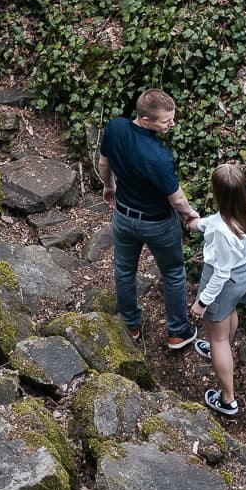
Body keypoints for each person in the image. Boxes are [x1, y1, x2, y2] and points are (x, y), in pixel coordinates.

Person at [96, 89, 205, 352]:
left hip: (123, 215)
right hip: (157, 223)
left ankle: (130, 325)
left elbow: (103, 162)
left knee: (124, 269)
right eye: (166, 121)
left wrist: (109, 186)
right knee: (173, 272)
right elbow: (177, 199)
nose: (172, 124)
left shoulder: (115, 127)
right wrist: (189, 214)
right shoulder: (158, 156)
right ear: (145, 121)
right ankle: (178, 333)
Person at [191, 163, 246, 419]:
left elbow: (221, 273)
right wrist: (200, 224)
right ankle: (223, 344)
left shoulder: (224, 230)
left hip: (228, 279)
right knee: (229, 312)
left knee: (217, 336)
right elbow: (216, 220)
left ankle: (227, 400)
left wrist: (202, 302)